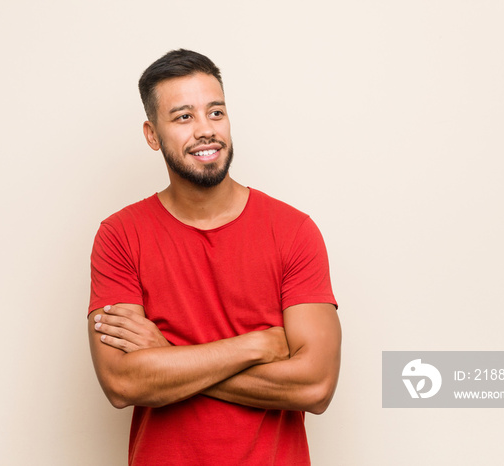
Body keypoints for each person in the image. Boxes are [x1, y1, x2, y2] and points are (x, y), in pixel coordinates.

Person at [88, 49, 341, 466]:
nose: (206, 130)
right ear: (152, 135)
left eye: (216, 112)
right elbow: (121, 382)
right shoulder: (119, 236)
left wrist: (166, 354)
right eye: (184, 117)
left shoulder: (293, 230)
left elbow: (315, 386)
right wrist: (257, 345)